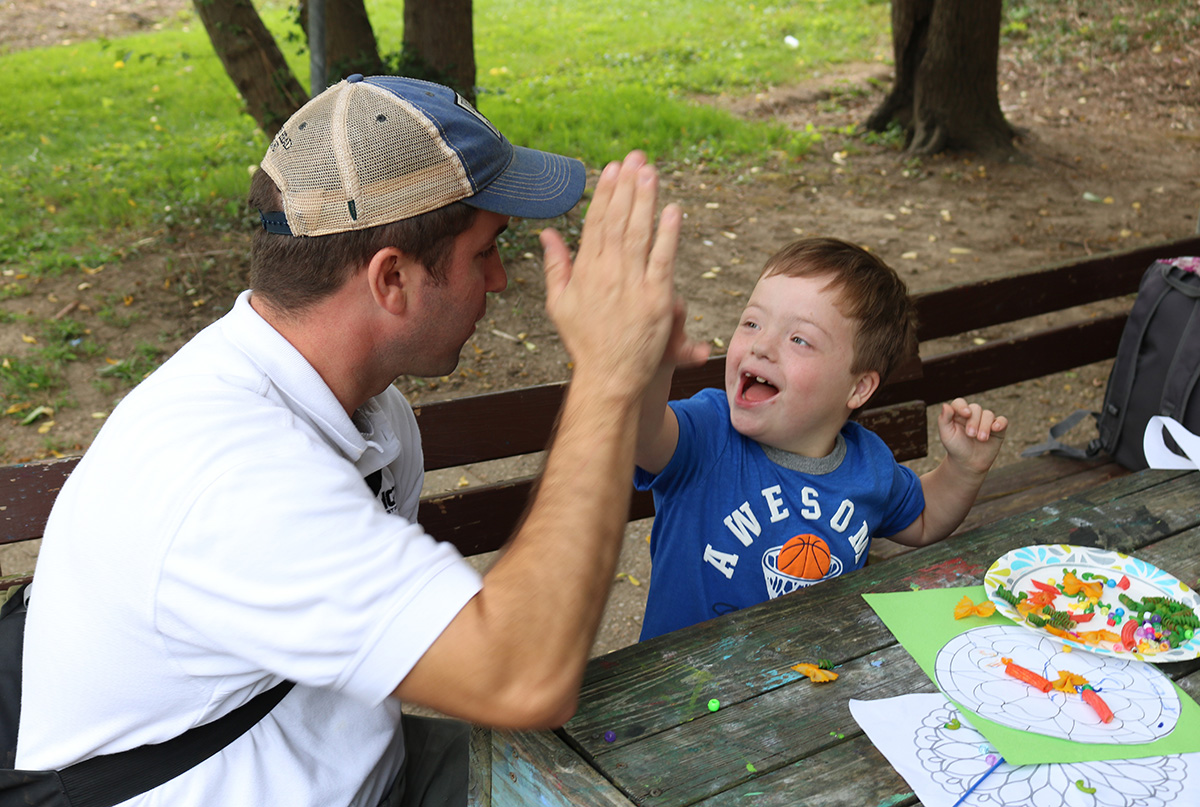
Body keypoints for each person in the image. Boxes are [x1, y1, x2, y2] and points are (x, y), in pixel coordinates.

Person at [17, 74, 700, 806]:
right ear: (393, 279)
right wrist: (605, 378)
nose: (501, 281)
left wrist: (615, 379)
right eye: (485, 252)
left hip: (371, 772)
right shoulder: (225, 473)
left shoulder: (371, 414)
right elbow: (522, 674)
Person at [634, 236, 1008, 640]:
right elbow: (643, 433)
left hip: (816, 672)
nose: (761, 345)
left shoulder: (867, 465)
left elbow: (922, 519)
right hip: (683, 682)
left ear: (859, 388)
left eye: (799, 339)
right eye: (752, 322)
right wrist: (653, 365)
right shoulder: (707, 432)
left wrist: (964, 468)